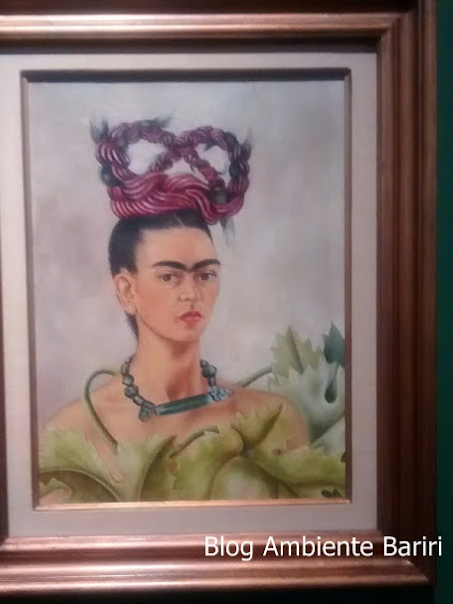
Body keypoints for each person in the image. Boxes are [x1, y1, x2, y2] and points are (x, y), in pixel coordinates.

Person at [39, 119, 344, 504]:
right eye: (169, 276)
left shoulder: (271, 421)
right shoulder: (75, 433)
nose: (191, 293)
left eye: (205, 274)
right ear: (127, 290)